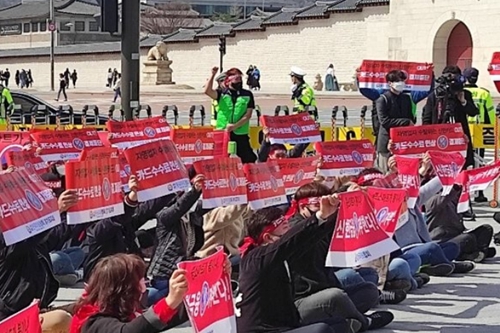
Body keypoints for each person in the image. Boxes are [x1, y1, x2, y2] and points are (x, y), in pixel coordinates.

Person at [69, 253, 188, 333]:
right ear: (125, 288)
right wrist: (169, 302)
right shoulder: (94, 322)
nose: (144, 285)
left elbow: (154, 322)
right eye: (140, 280)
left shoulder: (120, 310)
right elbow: (128, 331)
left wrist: (197, 301)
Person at [422, 65, 479, 168]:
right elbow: (426, 119)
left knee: (463, 168)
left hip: (461, 138)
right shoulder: (435, 95)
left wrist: (463, 101)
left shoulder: (464, 94)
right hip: (439, 139)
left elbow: (474, 112)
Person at [425, 183, 496, 262]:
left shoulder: (455, 202)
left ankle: (478, 252)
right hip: (443, 240)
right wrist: (456, 187)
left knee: (486, 229)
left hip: (457, 235)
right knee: (467, 238)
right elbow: (443, 199)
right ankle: (470, 254)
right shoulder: (432, 201)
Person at [204, 66, 256, 163]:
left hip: (240, 132)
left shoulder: (247, 94)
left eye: (240, 79)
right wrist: (212, 74)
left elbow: (248, 115)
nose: (239, 82)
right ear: (228, 80)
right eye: (236, 79)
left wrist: (234, 126)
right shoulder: (221, 93)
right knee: (220, 159)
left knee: (248, 158)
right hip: (223, 131)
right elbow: (207, 91)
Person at [464, 67, 495, 202]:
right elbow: (490, 115)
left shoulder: (460, 92)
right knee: (479, 163)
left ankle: (462, 191)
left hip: (462, 132)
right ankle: (479, 192)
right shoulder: (484, 94)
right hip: (478, 132)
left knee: (464, 163)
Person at [375, 70, 415, 173]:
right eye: (398, 81)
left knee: (403, 173)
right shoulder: (383, 99)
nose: (401, 83)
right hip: (386, 143)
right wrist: (405, 122)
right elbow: (384, 121)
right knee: (385, 173)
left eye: (402, 80)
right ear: (390, 83)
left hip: (403, 143)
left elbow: (411, 117)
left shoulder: (406, 98)